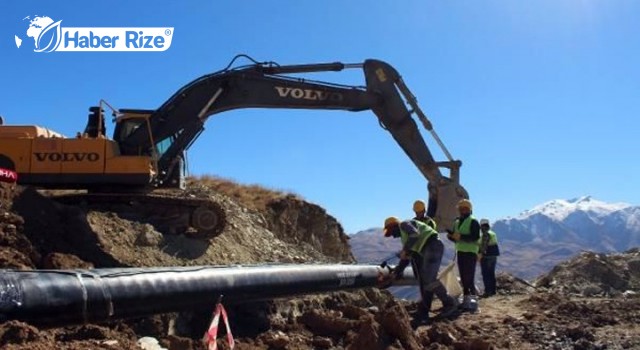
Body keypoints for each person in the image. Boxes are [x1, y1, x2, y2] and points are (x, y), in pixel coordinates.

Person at [382, 216, 458, 326]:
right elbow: (406, 258)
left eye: (391, 232)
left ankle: (450, 304)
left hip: (432, 245)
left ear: (394, 226)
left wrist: (405, 250)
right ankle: (424, 311)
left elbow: (415, 234)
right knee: (425, 280)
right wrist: (397, 271)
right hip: (430, 247)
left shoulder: (404, 224)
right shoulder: (405, 238)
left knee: (429, 279)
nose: (393, 236)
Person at [447, 199, 480, 309]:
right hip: (461, 251)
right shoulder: (457, 222)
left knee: (469, 276)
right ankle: (466, 299)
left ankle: (473, 301)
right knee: (463, 276)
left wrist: (460, 237)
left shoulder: (473, 221)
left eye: (464, 208)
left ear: (469, 209)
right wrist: (451, 237)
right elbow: (457, 238)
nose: (462, 210)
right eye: (461, 209)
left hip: (470, 252)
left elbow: (475, 237)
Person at [479, 218, 500, 297]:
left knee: (486, 274)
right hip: (493, 256)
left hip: (486, 256)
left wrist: (480, 253)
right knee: (491, 273)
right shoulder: (492, 233)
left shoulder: (485, 233)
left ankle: (488, 291)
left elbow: (484, 245)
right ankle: (493, 290)